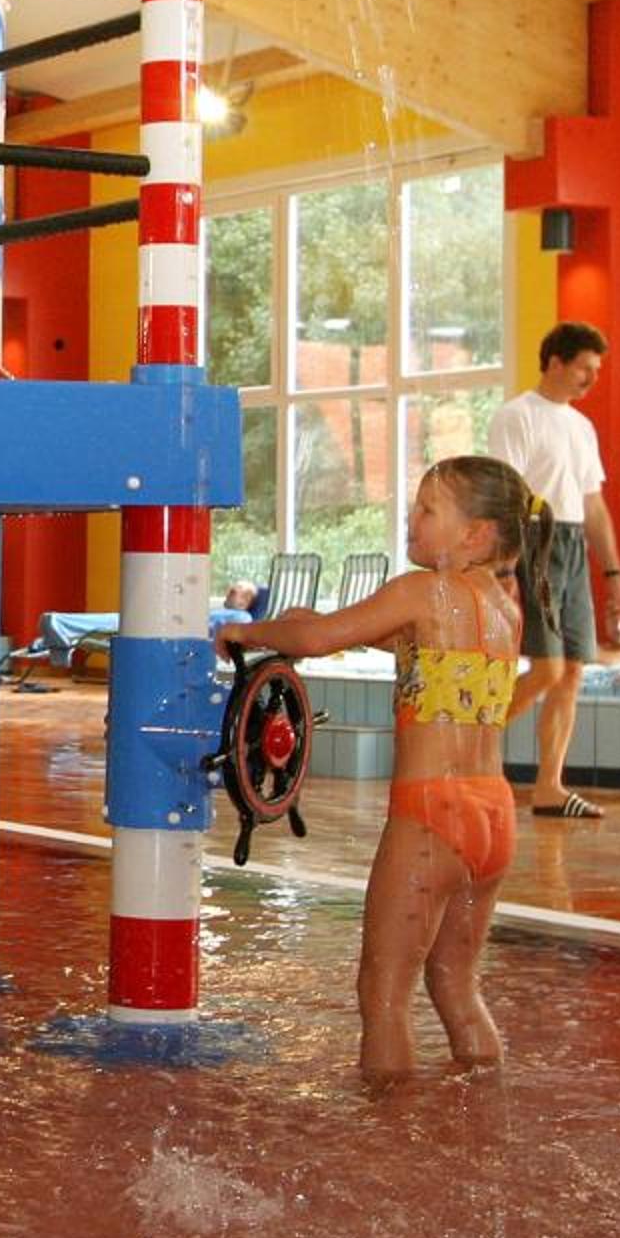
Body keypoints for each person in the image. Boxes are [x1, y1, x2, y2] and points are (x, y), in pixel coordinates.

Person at [219, 456, 548, 1083]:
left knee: (384, 992)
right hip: (493, 817)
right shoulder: (506, 607)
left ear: (474, 535)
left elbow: (319, 642)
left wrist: (244, 630)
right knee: (456, 985)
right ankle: (484, 1111)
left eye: (427, 510)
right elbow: (352, 634)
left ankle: (391, 1132)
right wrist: (298, 625)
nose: (410, 519)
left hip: (431, 815)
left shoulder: (423, 590)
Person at [488, 321, 620, 820]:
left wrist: (614, 576)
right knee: (547, 668)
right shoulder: (516, 416)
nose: (592, 379)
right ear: (555, 361)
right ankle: (465, 748)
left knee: (572, 670)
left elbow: (593, 505)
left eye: (596, 370)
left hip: (572, 544)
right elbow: (507, 496)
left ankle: (549, 787)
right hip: (535, 538)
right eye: (584, 368)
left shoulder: (581, 427)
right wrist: (505, 569)